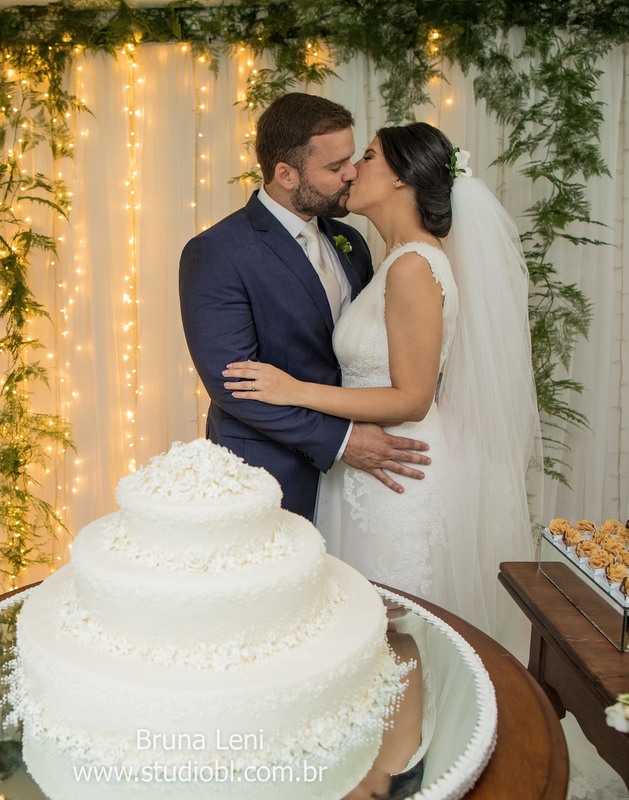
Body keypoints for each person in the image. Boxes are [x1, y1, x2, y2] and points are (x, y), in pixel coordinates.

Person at [222, 122, 541, 653]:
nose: (351, 172)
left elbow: (412, 399)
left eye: (366, 157)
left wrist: (294, 390)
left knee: (395, 633)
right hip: (365, 469)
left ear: (401, 179)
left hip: (397, 475)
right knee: (360, 630)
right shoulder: (389, 259)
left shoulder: (415, 265)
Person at [179, 93, 431, 521]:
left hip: (361, 480)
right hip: (267, 477)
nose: (352, 174)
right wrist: (342, 440)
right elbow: (235, 387)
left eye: (352, 159)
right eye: (335, 167)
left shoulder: (349, 240)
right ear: (286, 174)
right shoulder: (217, 252)